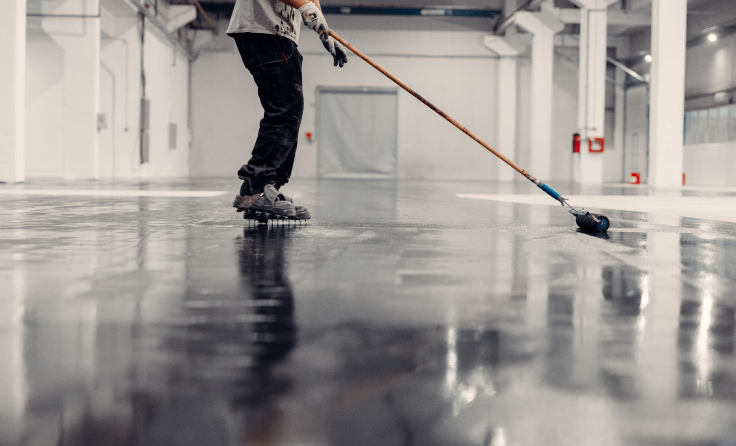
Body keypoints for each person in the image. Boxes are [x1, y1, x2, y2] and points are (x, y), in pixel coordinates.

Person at [228, 0, 348, 220]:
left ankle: (269, 188)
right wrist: (307, 10)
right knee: (285, 107)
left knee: (291, 108)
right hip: (265, 30)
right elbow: (307, 4)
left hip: (279, 34)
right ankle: (256, 187)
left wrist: (325, 31)